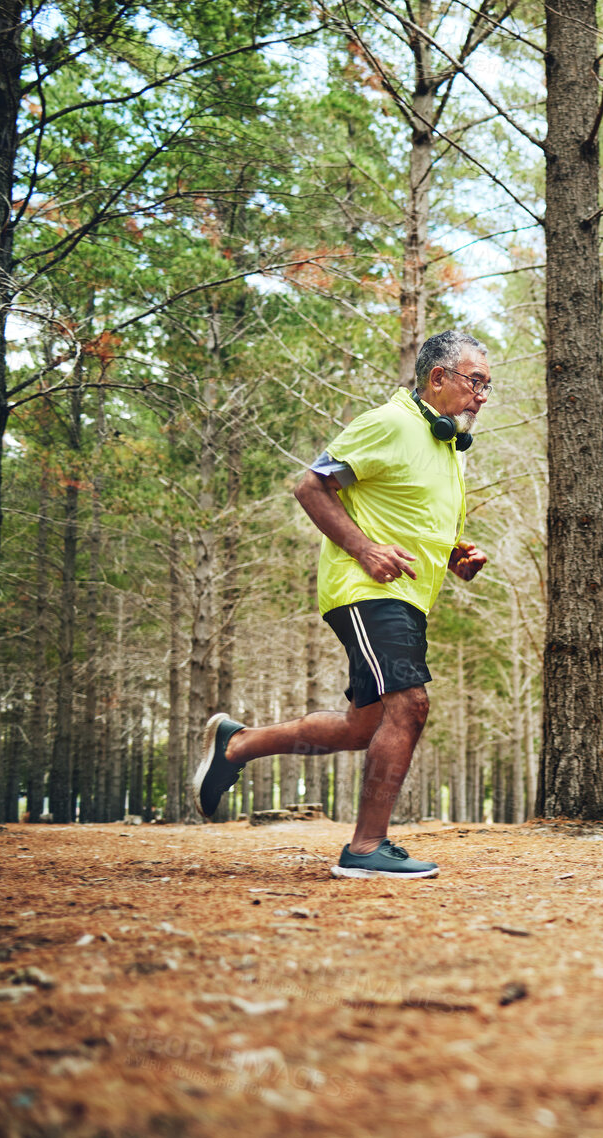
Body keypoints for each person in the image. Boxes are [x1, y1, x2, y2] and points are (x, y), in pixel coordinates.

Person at [191, 330, 492, 879]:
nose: (482, 396)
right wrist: (365, 549)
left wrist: (453, 556)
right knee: (411, 705)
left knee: (364, 726)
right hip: (367, 591)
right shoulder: (391, 423)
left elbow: (408, 513)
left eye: (488, 386)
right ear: (438, 379)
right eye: (475, 382)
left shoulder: (446, 448)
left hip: (405, 595)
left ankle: (236, 746)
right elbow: (310, 486)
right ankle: (365, 848)